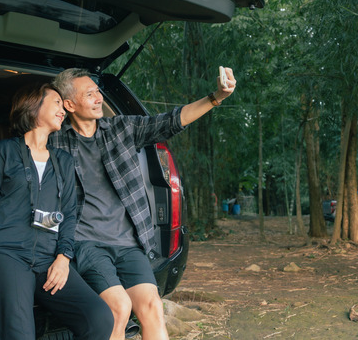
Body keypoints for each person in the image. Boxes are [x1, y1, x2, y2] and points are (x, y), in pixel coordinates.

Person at [50, 67, 236, 339]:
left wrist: (215, 97)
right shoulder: (54, 141)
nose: (99, 98)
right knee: (118, 308)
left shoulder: (121, 129)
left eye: (98, 91)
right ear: (69, 105)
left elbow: (171, 121)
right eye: (89, 94)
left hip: (128, 243)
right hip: (87, 243)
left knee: (152, 307)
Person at [0, 82, 113, 340]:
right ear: (33, 106)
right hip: (5, 254)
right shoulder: (3, 152)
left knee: (99, 318)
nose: (63, 110)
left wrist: (64, 258)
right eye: (57, 102)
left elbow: (68, 215)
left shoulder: (63, 161)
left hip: (47, 258)